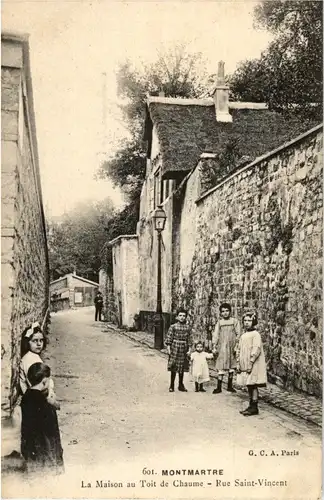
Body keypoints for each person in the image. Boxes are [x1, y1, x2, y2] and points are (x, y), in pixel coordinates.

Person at [20, 362, 64, 474]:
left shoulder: (26, 397)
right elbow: (51, 430)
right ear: (44, 381)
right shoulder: (44, 404)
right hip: (44, 447)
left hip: (29, 444)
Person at [20, 322, 59, 409]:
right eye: (35, 341)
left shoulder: (33, 356)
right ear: (27, 342)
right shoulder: (30, 359)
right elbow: (35, 384)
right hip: (36, 400)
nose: (39, 344)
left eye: (41, 340)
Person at [236, 311, 267, 416]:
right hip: (245, 363)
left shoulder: (255, 334)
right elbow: (239, 349)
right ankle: (251, 404)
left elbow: (256, 349)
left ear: (253, 321)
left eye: (249, 320)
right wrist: (238, 363)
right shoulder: (243, 335)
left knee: (253, 384)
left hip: (253, 364)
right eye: (245, 321)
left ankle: (254, 406)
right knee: (249, 384)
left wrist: (251, 362)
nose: (247, 323)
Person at [212, 303, 241, 394]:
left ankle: (230, 386)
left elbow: (238, 334)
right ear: (221, 313)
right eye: (223, 311)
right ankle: (219, 387)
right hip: (222, 347)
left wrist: (237, 345)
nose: (225, 313)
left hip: (232, 346)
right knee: (221, 364)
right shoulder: (220, 322)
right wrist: (214, 345)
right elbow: (216, 335)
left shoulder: (234, 321)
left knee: (231, 364)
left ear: (230, 311)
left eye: (227, 311)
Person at [165, 308, 193, 392]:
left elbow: (190, 340)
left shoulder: (188, 328)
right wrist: (169, 349)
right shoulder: (173, 327)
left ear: (186, 317)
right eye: (180, 315)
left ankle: (181, 385)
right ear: (177, 317)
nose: (182, 317)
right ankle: (171, 385)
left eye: (184, 316)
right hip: (175, 348)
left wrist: (190, 350)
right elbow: (169, 339)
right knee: (174, 367)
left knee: (182, 367)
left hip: (183, 348)